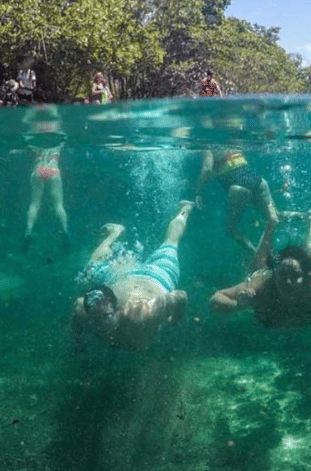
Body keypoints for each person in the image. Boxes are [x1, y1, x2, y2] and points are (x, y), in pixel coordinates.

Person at [210, 210, 311, 333]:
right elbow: (216, 299)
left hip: (291, 303)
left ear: (305, 276)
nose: (288, 282)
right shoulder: (260, 286)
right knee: (257, 267)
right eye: (282, 275)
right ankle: (272, 224)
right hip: (265, 281)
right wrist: (237, 305)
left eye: (296, 276)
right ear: (274, 274)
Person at [72, 201, 194, 350]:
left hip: (158, 276)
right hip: (126, 277)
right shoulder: (85, 309)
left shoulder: (141, 316)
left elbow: (181, 296)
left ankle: (186, 209)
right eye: (95, 319)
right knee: (89, 270)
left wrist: (174, 321)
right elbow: (78, 307)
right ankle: (114, 233)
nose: (100, 325)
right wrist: (77, 338)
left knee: (172, 241)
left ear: (118, 310)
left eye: (105, 317)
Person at [195, 147, 280, 254]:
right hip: (257, 179)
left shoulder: (208, 147)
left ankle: (257, 256)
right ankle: (303, 216)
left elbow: (207, 169)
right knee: (274, 218)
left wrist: (198, 192)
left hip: (238, 186)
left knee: (231, 228)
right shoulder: (232, 143)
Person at [21, 104, 69, 253]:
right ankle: (65, 234)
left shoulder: (30, 136)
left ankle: (28, 232)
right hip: (53, 170)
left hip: (38, 169)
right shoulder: (61, 137)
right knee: (58, 206)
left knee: (34, 204)